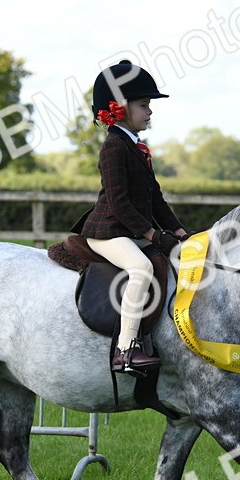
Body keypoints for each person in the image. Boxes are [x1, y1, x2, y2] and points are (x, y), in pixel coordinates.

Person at [76, 59, 187, 375]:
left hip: (128, 230)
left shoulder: (137, 147)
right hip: (107, 232)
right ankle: (125, 350)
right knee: (142, 267)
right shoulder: (114, 146)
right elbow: (119, 202)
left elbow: (155, 199)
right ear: (120, 108)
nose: (150, 112)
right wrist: (153, 235)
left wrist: (180, 232)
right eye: (143, 105)